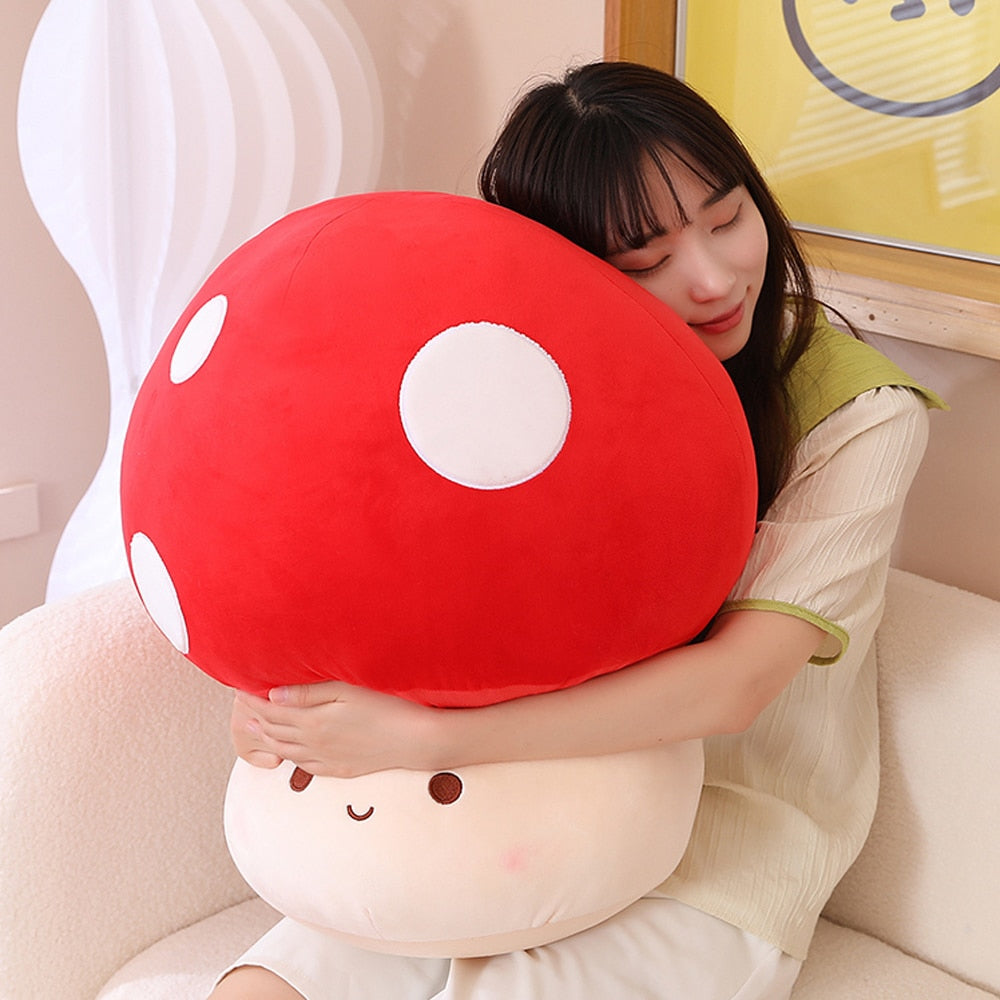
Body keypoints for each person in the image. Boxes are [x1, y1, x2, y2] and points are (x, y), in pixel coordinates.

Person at [210, 61, 944, 999]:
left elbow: (735, 687)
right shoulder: (523, 390)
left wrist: (429, 741)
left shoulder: (861, 414)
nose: (713, 278)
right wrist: (284, 706)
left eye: (726, 218)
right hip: (485, 813)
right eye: (646, 261)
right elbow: (407, 577)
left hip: (717, 855)